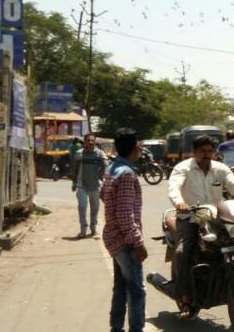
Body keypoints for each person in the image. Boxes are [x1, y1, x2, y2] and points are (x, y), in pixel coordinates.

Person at [168, 134, 234, 320]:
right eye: (202, 151)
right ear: (194, 152)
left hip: (216, 219)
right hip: (190, 218)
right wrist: (179, 202)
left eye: (209, 151)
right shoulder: (183, 168)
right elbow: (174, 187)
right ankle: (185, 298)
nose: (206, 154)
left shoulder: (220, 168)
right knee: (182, 253)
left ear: (214, 152)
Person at [100, 128, 146, 332]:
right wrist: (138, 242)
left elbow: (104, 195)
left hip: (112, 237)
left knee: (121, 286)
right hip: (125, 242)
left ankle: (116, 328)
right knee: (136, 290)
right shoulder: (127, 174)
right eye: (139, 146)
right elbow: (125, 215)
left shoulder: (112, 168)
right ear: (134, 148)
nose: (140, 149)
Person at [72, 133, 108, 238]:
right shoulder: (79, 154)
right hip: (81, 184)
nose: (91, 142)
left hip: (95, 185)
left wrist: (104, 175)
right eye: (88, 140)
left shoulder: (99, 154)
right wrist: (74, 183)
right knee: (82, 207)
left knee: (95, 208)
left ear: (95, 142)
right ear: (85, 142)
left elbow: (106, 165)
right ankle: (83, 230)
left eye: (92, 140)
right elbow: (75, 169)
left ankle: (94, 228)